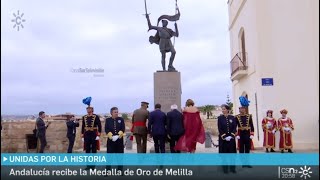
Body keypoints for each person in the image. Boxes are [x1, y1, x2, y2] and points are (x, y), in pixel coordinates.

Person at [218, 104, 237, 174]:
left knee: (232, 154)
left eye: (224, 109)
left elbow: (234, 127)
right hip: (223, 140)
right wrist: (224, 137)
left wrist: (231, 136)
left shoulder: (233, 118)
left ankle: (232, 168)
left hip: (231, 139)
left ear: (227, 110)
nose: (223, 110)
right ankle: (225, 169)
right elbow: (220, 128)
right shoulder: (220, 118)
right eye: (222, 109)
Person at [105, 107, 125, 173]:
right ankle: (108, 170)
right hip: (111, 141)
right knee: (109, 156)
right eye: (115, 112)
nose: (116, 113)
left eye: (117, 112)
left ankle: (120, 170)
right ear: (111, 113)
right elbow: (106, 129)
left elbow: (123, 128)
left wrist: (119, 135)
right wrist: (110, 135)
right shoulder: (108, 120)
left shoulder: (121, 119)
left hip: (119, 140)